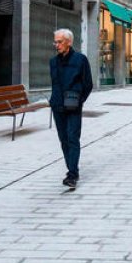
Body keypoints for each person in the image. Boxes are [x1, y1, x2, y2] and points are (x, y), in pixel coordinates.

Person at [50, 28, 93, 191]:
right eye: (55, 42)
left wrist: (79, 101)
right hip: (57, 106)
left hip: (73, 106)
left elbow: (88, 84)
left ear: (69, 42)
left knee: (72, 138)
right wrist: (54, 100)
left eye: (59, 42)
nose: (56, 45)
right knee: (63, 140)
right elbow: (54, 83)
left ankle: (72, 174)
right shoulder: (53, 62)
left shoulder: (81, 60)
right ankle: (72, 170)